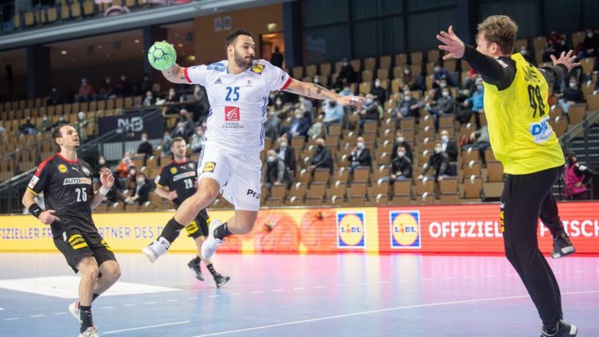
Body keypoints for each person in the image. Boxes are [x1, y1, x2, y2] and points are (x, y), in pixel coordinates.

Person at [142, 30, 363, 263]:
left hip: (248, 156)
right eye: (245, 47)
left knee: (245, 224)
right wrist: (166, 63)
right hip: (219, 146)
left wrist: (337, 98)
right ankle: (162, 242)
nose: (251, 51)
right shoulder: (211, 72)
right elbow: (176, 74)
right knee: (207, 192)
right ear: (230, 50)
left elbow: (303, 87)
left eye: (252, 47)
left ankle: (217, 233)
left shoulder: (266, 71)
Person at [437, 15, 579, 336]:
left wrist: (466, 53)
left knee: (517, 248)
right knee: (526, 241)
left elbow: (492, 69)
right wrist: (564, 67)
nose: (480, 51)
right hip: (548, 159)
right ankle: (560, 238)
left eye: (482, 46)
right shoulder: (531, 71)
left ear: (495, 48)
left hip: (526, 165)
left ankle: (553, 326)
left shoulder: (505, 69)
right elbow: (551, 73)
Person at [22, 124, 121, 337]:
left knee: (113, 272)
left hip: (88, 226)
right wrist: (40, 213)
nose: (75, 134)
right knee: (91, 269)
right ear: (59, 140)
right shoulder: (48, 165)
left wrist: (104, 188)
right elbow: (27, 197)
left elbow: (90, 205)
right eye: (69, 132)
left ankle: (80, 306)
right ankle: (86, 327)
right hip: (65, 226)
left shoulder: (85, 167)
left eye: (76, 132)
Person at [154, 137, 230, 287]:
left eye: (183, 146)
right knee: (201, 242)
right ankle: (216, 276)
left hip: (200, 207)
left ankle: (195, 263)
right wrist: (167, 195)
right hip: (185, 211)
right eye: (178, 146)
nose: (181, 149)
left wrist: (200, 184)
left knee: (209, 241)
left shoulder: (194, 165)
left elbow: (205, 181)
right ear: (172, 149)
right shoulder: (168, 170)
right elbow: (157, 188)